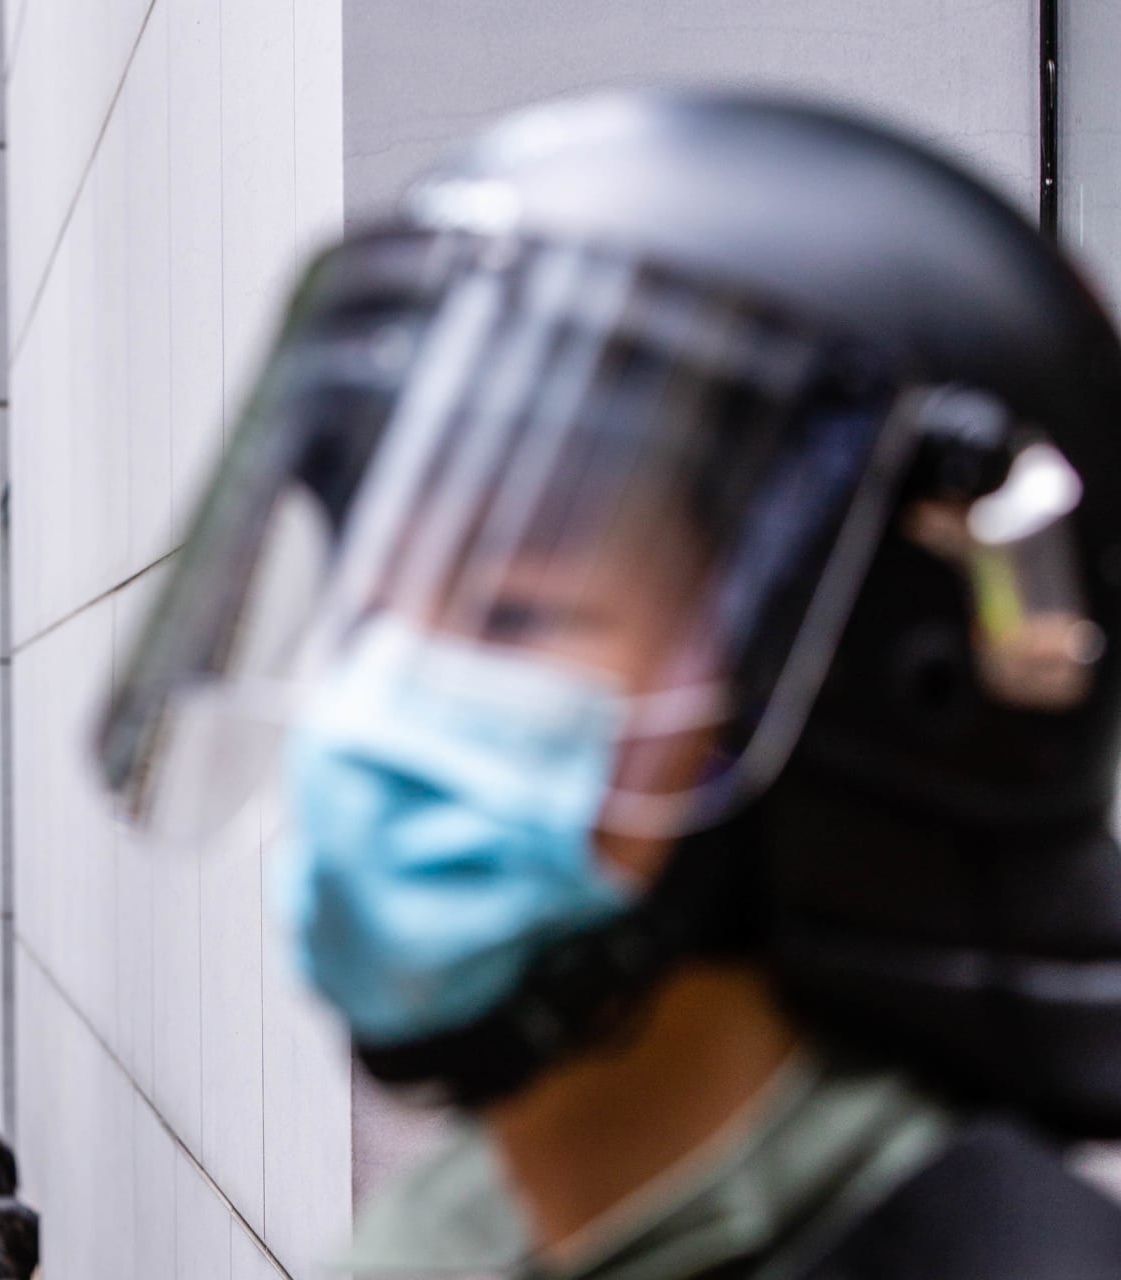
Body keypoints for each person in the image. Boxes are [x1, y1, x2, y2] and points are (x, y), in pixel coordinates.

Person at [94, 90, 1121, 1277]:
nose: (376, 695)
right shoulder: (453, 1237)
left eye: (512, 610)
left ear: (895, 683)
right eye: (372, 603)